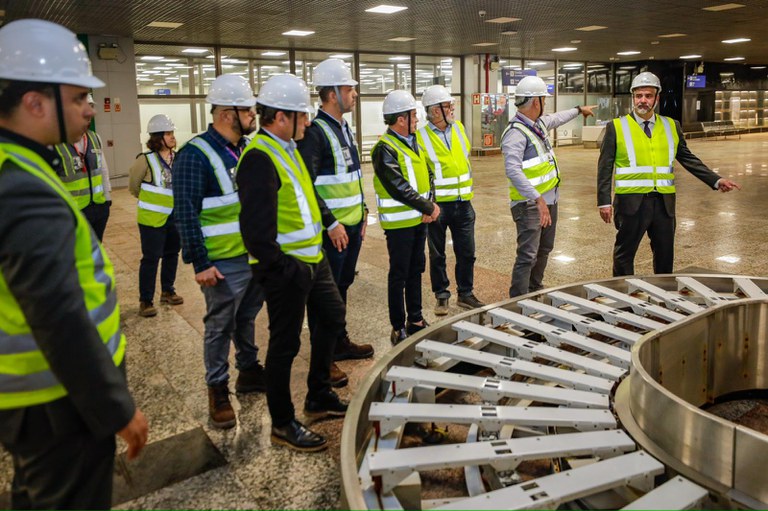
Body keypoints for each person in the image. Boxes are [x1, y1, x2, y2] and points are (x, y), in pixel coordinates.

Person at [0, 18, 148, 509]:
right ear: (34, 103)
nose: (90, 108)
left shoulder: (19, 164)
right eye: (79, 98)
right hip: (56, 403)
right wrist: (115, 407)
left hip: (40, 403)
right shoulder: (21, 186)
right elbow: (57, 312)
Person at [238, 74, 348, 452]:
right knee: (285, 345)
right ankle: (282, 423)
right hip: (287, 269)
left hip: (313, 262)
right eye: (302, 116)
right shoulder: (259, 158)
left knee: (333, 317)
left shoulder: (289, 148)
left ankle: (318, 396)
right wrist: (283, 269)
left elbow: (306, 196)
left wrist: (328, 224)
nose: (308, 121)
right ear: (281, 117)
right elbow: (255, 231)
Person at [174, 74, 266, 429]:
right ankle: (217, 388)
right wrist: (200, 261)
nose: (254, 116)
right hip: (221, 260)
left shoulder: (242, 148)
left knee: (246, 316)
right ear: (228, 114)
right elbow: (184, 212)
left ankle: (248, 369)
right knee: (219, 324)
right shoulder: (194, 156)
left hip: (251, 255)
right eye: (249, 110)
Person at [597, 71, 741, 276]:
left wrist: (716, 180)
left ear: (657, 98)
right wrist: (603, 201)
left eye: (648, 96)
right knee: (624, 255)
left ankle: (664, 297)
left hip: (664, 204)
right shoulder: (617, 127)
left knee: (665, 255)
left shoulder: (671, 125)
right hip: (631, 203)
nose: (643, 100)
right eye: (638, 96)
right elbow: (604, 167)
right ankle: (623, 297)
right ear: (633, 97)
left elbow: (688, 158)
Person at [297, 58, 374, 366]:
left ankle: (338, 341)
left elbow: (351, 176)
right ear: (332, 94)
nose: (354, 94)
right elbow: (307, 184)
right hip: (334, 232)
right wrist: (330, 223)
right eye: (349, 89)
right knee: (322, 295)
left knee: (341, 288)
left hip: (352, 225)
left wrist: (364, 210)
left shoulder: (344, 130)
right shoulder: (315, 133)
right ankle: (323, 356)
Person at [501, 75, 595, 297]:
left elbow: (557, 118)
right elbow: (513, 170)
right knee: (528, 255)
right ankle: (518, 301)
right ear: (536, 102)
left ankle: (534, 289)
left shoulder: (538, 124)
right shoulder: (515, 133)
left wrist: (578, 109)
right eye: (544, 99)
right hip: (530, 204)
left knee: (544, 250)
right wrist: (538, 199)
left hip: (548, 200)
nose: (545, 104)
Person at [372, 90, 439, 345]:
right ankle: (398, 325)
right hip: (399, 224)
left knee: (415, 270)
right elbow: (397, 185)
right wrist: (427, 206)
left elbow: (429, 175)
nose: (417, 120)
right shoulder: (384, 149)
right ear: (401, 119)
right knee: (398, 274)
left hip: (418, 220)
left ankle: (416, 319)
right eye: (413, 116)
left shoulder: (414, 142)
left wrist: (428, 204)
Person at [415, 84, 484, 315]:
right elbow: (420, 175)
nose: (452, 108)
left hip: (464, 202)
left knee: (467, 251)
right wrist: (426, 204)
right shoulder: (420, 137)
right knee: (438, 254)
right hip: (437, 206)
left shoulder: (459, 128)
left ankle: (466, 293)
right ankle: (441, 295)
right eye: (447, 105)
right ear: (435, 111)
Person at [128, 114, 183, 318]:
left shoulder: (178, 157)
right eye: (168, 133)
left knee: (171, 255)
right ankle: (146, 300)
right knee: (151, 259)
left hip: (174, 218)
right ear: (157, 137)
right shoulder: (145, 160)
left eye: (172, 133)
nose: (172, 137)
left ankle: (168, 291)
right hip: (152, 220)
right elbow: (134, 186)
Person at [54, 93, 112, 241]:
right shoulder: (55, 143)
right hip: (72, 212)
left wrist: (107, 198)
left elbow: (103, 169)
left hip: (99, 208)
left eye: (91, 108)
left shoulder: (94, 137)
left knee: (96, 251)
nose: (90, 113)